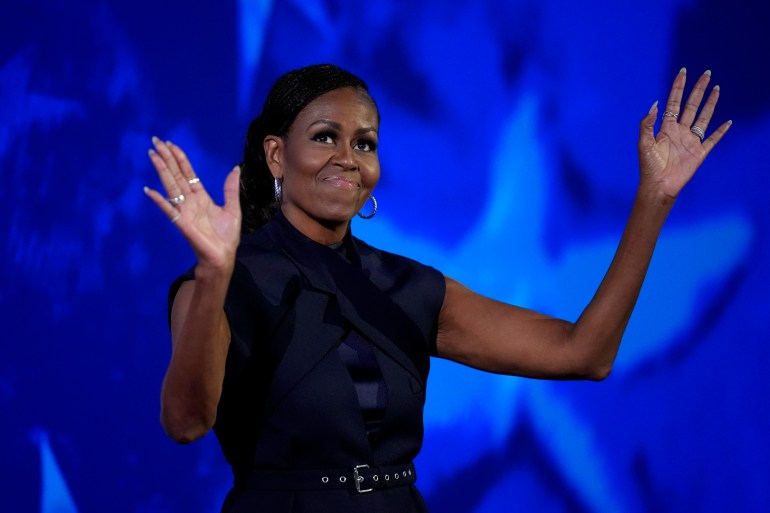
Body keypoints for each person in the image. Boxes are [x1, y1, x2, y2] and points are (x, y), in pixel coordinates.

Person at [144, 64, 730, 512]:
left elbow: (585, 353)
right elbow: (186, 421)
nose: (348, 158)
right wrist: (216, 272)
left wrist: (653, 200)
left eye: (365, 143)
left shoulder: (408, 286)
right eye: (325, 137)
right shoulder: (221, 281)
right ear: (276, 154)